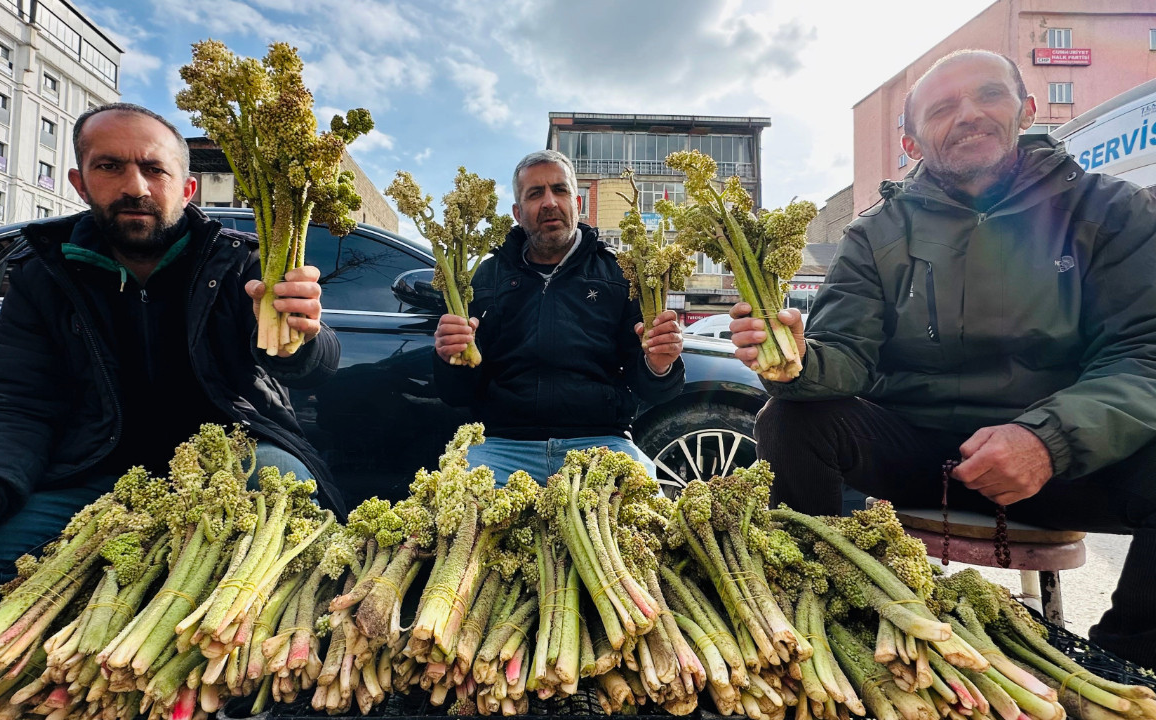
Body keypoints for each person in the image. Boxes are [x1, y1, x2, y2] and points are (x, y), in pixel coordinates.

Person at [730, 50, 1156, 666]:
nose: (968, 115)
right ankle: (818, 620)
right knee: (791, 419)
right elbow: (847, 355)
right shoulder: (876, 233)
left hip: (1059, 461)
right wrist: (799, 361)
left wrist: (1047, 439)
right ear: (911, 139)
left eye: (988, 96)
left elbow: (1143, 353)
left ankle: (1124, 669)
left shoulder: (1109, 211)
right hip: (918, 447)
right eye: (942, 108)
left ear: (1026, 109)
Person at [0, 103, 343, 617]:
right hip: (91, 475)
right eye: (110, 167)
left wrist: (304, 332)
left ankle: (138, 598)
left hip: (230, 464)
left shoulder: (242, 260)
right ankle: (134, 595)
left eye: (154, 169)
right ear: (80, 183)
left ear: (186, 189)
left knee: (285, 484)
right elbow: (13, 401)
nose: (136, 187)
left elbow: (317, 368)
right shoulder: (43, 274)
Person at [433, 150, 685, 482]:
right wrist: (447, 356)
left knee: (650, 525)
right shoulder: (484, 277)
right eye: (535, 194)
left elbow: (654, 390)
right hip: (500, 446)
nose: (550, 202)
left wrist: (660, 365)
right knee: (452, 520)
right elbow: (457, 395)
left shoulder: (621, 273)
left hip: (602, 444)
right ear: (518, 212)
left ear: (576, 202)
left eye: (560, 190)